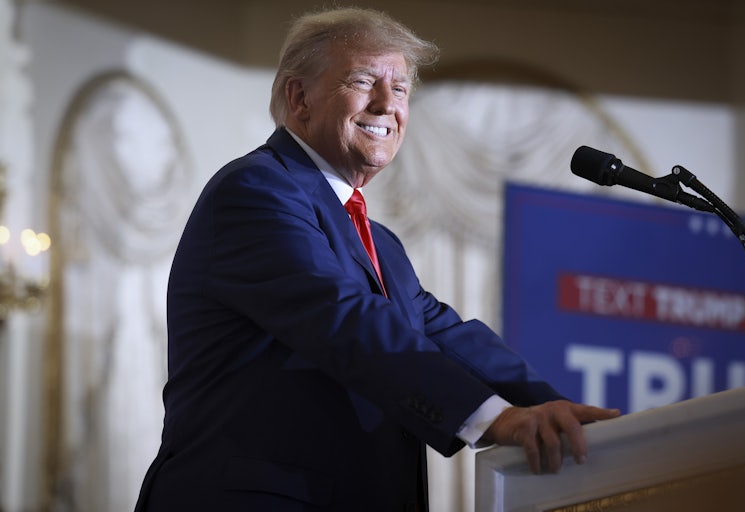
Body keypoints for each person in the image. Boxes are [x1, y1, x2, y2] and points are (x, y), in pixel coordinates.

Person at [134, 7, 620, 511]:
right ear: (299, 98)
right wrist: (491, 417)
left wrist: (552, 407)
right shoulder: (256, 191)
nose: (388, 104)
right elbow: (344, 319)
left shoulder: (379, 241)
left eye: (402, 89)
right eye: (364, 81)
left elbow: (446, 336)